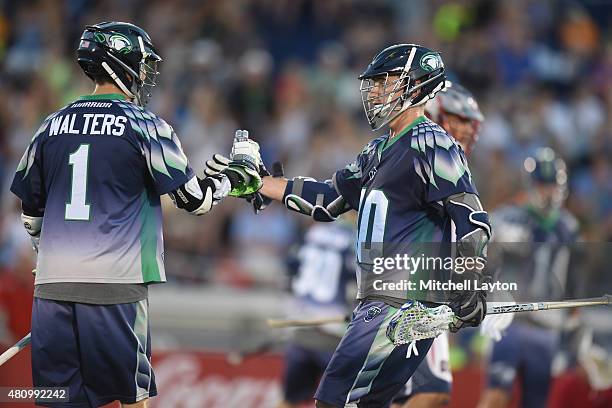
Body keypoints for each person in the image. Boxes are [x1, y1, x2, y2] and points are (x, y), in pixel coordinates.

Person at [210, 44, 492, 408]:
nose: (375, 91)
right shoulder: (378, 150)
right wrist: (259, 183)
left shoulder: (432, 142)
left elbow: (472, 219)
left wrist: (470, 283)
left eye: (385, 81)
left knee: (337, 402)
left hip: (401, 306)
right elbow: (329, 199)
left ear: (418, 85)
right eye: (373, 83)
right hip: (375, 304)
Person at [9, 22, 243, 407]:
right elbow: (195, 201)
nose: (147, 74)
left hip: (52, 291)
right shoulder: (145, 124)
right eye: (144, 64)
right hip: (114, 290)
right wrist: (231, 180)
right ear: (125, 62)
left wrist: (47, 257)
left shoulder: (49, 126)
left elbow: (31, 213)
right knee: (133, 401)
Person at [391, 80, 485, 408]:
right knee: (430, 393)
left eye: (467, 121)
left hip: (417, 292)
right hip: (412, 295)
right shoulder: (430, 156)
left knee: (407, 395)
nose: (466, 129)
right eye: (457, 119)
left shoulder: (420, 153)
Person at [478, 147, 579, 408]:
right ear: (531, 186)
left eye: (551, 185)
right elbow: (476, 260)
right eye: (542, 185)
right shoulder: (507, 218)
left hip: (548, 329)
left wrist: (574, 334)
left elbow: (573, 285)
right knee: (497, 395)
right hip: (511, 321)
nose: (547, 192)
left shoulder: (568, 228)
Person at [278, 218, 356, 408]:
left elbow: (290, 268)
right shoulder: (356, 238)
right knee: (343, 401)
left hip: (302, 327)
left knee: (290, 400)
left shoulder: (312, 232)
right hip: (334, 333)